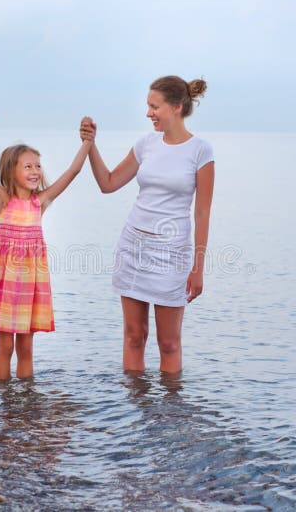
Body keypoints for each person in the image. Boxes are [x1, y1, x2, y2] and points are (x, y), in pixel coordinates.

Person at [81, 76, 214, 374]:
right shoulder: (145, 144)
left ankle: (170, 416)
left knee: (169, 343)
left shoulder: (201, 151)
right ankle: (134, 413)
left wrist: (198, 267)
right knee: (133, 337)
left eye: (155, 107)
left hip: (172, 254)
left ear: (177, 107)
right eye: (148, 106)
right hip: (133, 248)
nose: (148, 113)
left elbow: (202, 212)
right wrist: (90, 145)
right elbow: (109, 183)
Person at [0, 109, 91, 380]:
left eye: (37, 165)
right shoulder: (2, 199)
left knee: (26, 346)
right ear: (11, 171)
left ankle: (26, 400)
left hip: (29, 282)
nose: (35, 171)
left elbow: (73, 171)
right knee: (5, 345)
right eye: (28, 166)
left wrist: (87, 143)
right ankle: (3, 399)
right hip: (4, 280)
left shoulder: (41, 202)